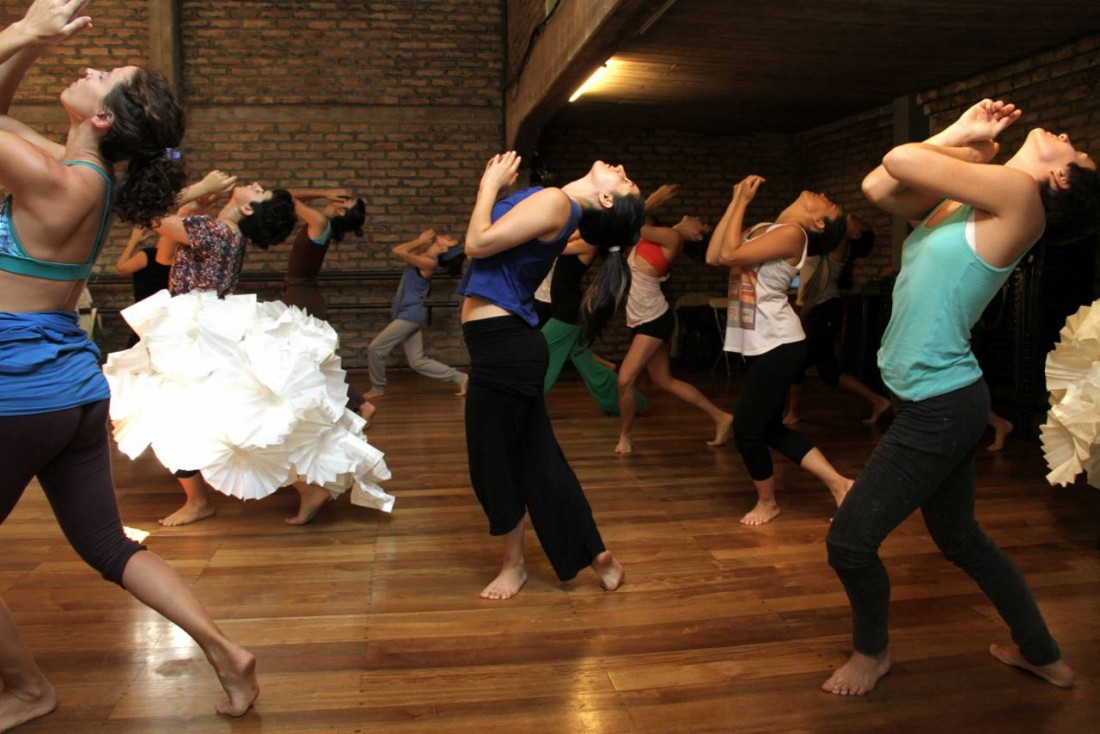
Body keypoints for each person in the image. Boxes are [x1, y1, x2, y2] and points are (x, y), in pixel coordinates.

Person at [0, 2, 257, 725]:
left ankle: (26, 690)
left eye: (107, 74)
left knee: (106, 544)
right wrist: (27, 34)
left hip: (19, 389)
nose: (92, 67)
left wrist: (24, 35)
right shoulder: (74, 169)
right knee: (108, 545)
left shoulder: (58, 177)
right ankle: (227, 652)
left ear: (107, 118)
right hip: (70, 390)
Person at [824, 99, 1098, 696]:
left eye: (1078, 153)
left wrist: (959, 135)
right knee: (960, 538)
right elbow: (879, 184)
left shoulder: (1022, 203)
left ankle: (873, 654)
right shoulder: (975, 196)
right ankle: (1043, 654)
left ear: (1061, 179)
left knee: (849, 542)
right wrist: (966, 138)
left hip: (940, 405)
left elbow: (900, 156)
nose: (1070, 137)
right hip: (936, 397)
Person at [459, 153, 643, 600]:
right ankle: (595, 553)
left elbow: (478, 244)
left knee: (497, 465)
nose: (621, 169)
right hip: (506, 347)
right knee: (537, 461)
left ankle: (515, 566)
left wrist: (490, 184)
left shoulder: (558, 203)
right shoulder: (560, 206)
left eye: (625, 181)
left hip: (504, 349)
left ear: (604, 197)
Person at [706, 179, 854, 525]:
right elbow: (715, 255)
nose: (824, 194)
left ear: (819, 224)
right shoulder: (764, 229)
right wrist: (734, 200)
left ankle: (768, 503)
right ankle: (841, 484)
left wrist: (742, 200)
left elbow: (729, 255)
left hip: (780, 342)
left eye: (829, 204)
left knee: (746, 431)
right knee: (768, 428)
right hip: (764, 342)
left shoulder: (794, 235)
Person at [614, 213, 733, 453]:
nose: (695, 215)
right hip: (643, 319)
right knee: (664, 381)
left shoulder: (672, 237)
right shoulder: (661, 236)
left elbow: (632, 222)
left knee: (625, 380)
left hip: (654, 319)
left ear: (697, 235)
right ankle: (721, 416)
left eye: (702, 221)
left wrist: (655, 198)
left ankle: (625, 437)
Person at [784, 215, 891, 425]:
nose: (852, 216)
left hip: (825, 312)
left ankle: (793, 412)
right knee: (828, 372)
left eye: (861, 222)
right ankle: (878, 400)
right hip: (818, 311)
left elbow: (839, 221)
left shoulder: (840, 243)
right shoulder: (828, 242)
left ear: (856, 234)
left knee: (796, 362)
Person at [281, 187, 374, 423]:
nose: (338, 197)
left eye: (346, 198)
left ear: (341, 209)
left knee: (311, 359)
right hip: (302, 296)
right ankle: (351, 405)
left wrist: (325, 191)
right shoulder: (323, 225)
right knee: (305, 358)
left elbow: (285, 196)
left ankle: (360, 404)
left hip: (303, 298)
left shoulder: (321, 222)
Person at [540, 232, 648, 415]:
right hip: (569, 311)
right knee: (588, 364)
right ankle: (623, 403)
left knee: (539, 351)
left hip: (568, 313)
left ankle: (525, 402)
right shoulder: (583, 240)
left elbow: (552, 247)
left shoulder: (589, 243)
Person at [363, 228, 468, 399]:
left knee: (375, 348)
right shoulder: (424, 256)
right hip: (410, 313)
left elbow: (397, 250)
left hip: (410, 315)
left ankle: (377, 387)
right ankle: (461, 378)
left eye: (451, 241)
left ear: (444, 250)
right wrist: (423, 244)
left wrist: (420, 240)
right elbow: (405, 250)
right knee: (417, 361)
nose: (448, 236)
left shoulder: (429, 263)